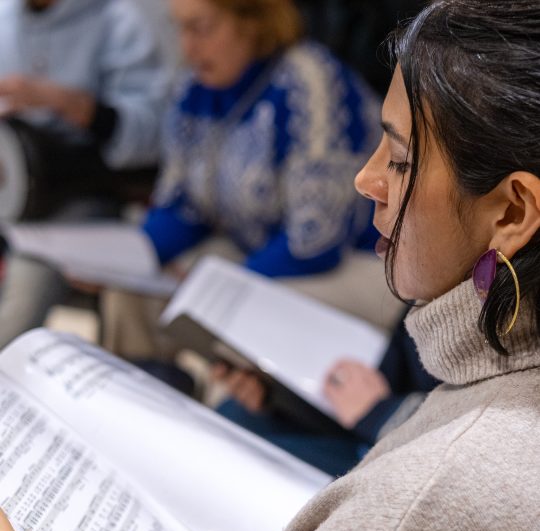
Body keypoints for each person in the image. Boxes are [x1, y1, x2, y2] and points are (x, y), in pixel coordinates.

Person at [2, 0, 540, 531]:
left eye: (398, 158)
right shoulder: (486, 396)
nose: (366, 178)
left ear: (510, 214)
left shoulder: (445, 487)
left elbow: (313, 230)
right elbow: (179, 206)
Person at [99, 0, 391, 361]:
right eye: (181, 28)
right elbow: (182, 206)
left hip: (360, 264)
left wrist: (217, 287)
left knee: (238, 316)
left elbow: (315, 240)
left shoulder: (309, 81)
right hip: (257, 255)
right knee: (131, 289)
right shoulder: (195, 86)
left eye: (201, 28)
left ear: (251, 22)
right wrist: (121, 260)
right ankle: (136, 402)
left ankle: (234, 413)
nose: (187, 46)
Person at [0, 0, 172, 348]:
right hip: (7, 187)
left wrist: (71, 105)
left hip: (74, 199)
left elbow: (154, 135)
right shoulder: (6, 16)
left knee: (24, 295)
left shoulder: (119, 21)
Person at [216, 312, 439, 476]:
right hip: (388, 394)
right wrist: (280, 395)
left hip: (406, 441)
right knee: (232, 416)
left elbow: (463, 439)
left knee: (246, 458)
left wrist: (380, 413)